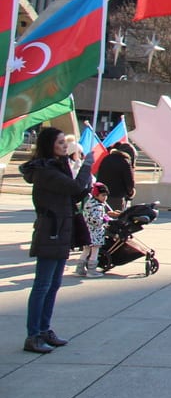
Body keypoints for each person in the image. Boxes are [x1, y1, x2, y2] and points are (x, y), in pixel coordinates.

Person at [19, 126, 93, 353]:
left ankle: (44, 329)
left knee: (53, 285)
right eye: (60, 142)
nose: (64, 146)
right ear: (49, 145)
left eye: (65, 142)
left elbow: (77, 192)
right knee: (43, 285)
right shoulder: (45, 170)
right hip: (51, 231)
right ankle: (33, 335)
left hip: (61, 230)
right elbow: (75, 187)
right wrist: (87, 165)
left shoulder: (57, 166)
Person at [75, 182, 118, 277]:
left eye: (106, 195)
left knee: (86, 250)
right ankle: (91, 271)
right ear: (96, 195)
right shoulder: (98, 206)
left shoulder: (89, 203)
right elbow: (96, 221)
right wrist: (106, 219)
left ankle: (79, 269)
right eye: (103, 195)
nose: (105, 197)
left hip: (86, 231)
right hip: (95, 232)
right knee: (94, 251)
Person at [96, 142, 136, 210]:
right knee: (116, 218)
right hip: (117, 197)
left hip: (102, 196)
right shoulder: (125, 161)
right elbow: (129, 183)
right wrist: (131, 193)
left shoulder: (106, 158)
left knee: (105, 218)